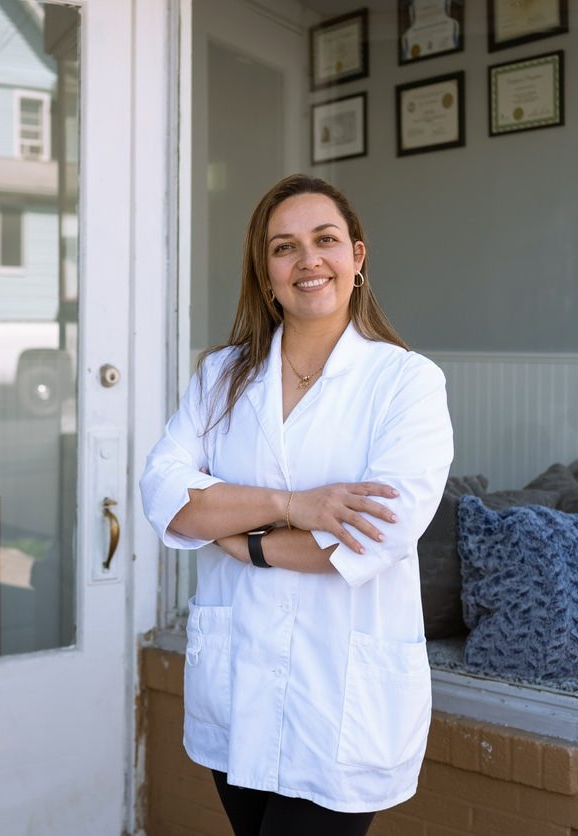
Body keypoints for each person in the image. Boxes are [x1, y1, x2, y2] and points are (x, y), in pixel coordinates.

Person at [139, 174, 454, 835]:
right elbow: (167, 496)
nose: (308, 261)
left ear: (357, 257)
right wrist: (294, 505)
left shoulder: (406, 384)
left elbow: (372, 539)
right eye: (285, 247)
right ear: (266, 270)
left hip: (339, 701)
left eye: (326, 240)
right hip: (239, 685)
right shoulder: (221, 376)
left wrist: (240, 536)